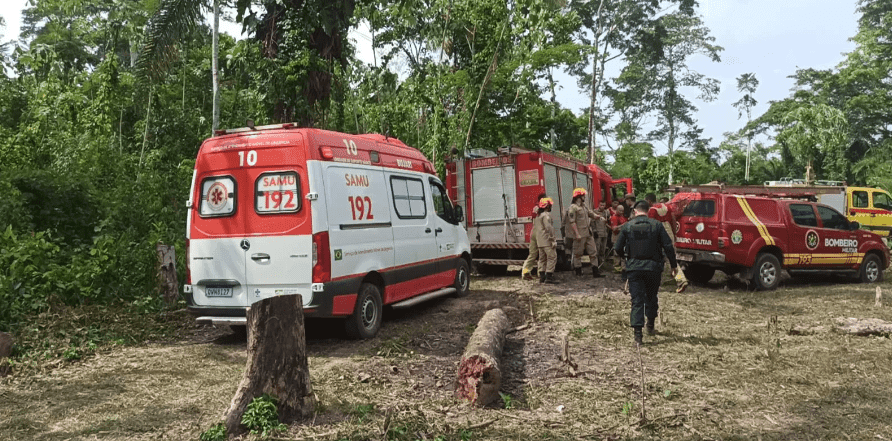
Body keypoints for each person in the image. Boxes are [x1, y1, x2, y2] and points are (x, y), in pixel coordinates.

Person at [613, 200, 679, 345]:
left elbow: (617, 248)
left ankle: (638, 335)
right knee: (651, 296)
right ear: (648, 211)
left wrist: (627, 258)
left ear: (635, 211)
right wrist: (674, 266)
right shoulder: (657, 225)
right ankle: (650, 325)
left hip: (634, 268)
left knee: (637, 300)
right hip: (653, 268)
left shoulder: (628, 226)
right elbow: (668, 246)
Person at [645, 193, 689, 293]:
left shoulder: (652, 210)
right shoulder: (667, 207)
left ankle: (680, 280)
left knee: (663, 260)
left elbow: (651, 225)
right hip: (669, 234)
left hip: (659, 236)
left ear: (649, 201)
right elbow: (673, 220)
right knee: (670, 259)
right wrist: (674, 234)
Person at [568, 188, 606, 278]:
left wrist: (599, 217)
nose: (584, 197)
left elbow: (591, 214)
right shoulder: (573, 208)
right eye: (583, 196)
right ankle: (578, 272)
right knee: (578, 253)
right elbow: (572, 222)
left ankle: (595, 272)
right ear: (578, 197)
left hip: (588, 233)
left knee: (593, 252)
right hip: (580, 234)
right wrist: (577, 234)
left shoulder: (584, 206)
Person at [521, 192, 548, 280]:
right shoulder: (543, 208)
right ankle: (541, 274)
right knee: (542, 254)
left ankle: (525, 272)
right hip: (540, 233)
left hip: (533, 232)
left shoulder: (535, 207)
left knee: (532, 254)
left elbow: (533, 216)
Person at [534, 197, 559, 284]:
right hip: (547, 241)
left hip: (540, 242)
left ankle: (542, 277)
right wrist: (553, 240)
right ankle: (549, 277)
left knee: (542, 259)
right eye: (550, 205)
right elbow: (548, 228)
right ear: (547, 206)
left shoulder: (538, 216)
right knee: (552, 257)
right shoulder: (546, 215)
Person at [592, 200, 610, 276]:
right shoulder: (595, 212)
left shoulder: (606, 212)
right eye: (601, 205)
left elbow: (608, 221)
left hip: (604, 233)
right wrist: (594, 231)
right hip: (598, 233)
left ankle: (602, 265)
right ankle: (596, 266)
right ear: (598, 205)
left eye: (603, 205)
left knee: (603, 250)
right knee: (597, 250)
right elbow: (592, 222)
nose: (602, 207)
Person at [609, 205, 627, 272]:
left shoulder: (622, 217)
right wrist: (623, 225)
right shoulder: (614, 217)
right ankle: (616, 268)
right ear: (616, 210)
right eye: (620, 210)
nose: (621, 212)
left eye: (622, 210)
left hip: (622, 236)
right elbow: (614, 228)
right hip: (616, 236)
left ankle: (623, 268)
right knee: (616, 252)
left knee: (623, 251)